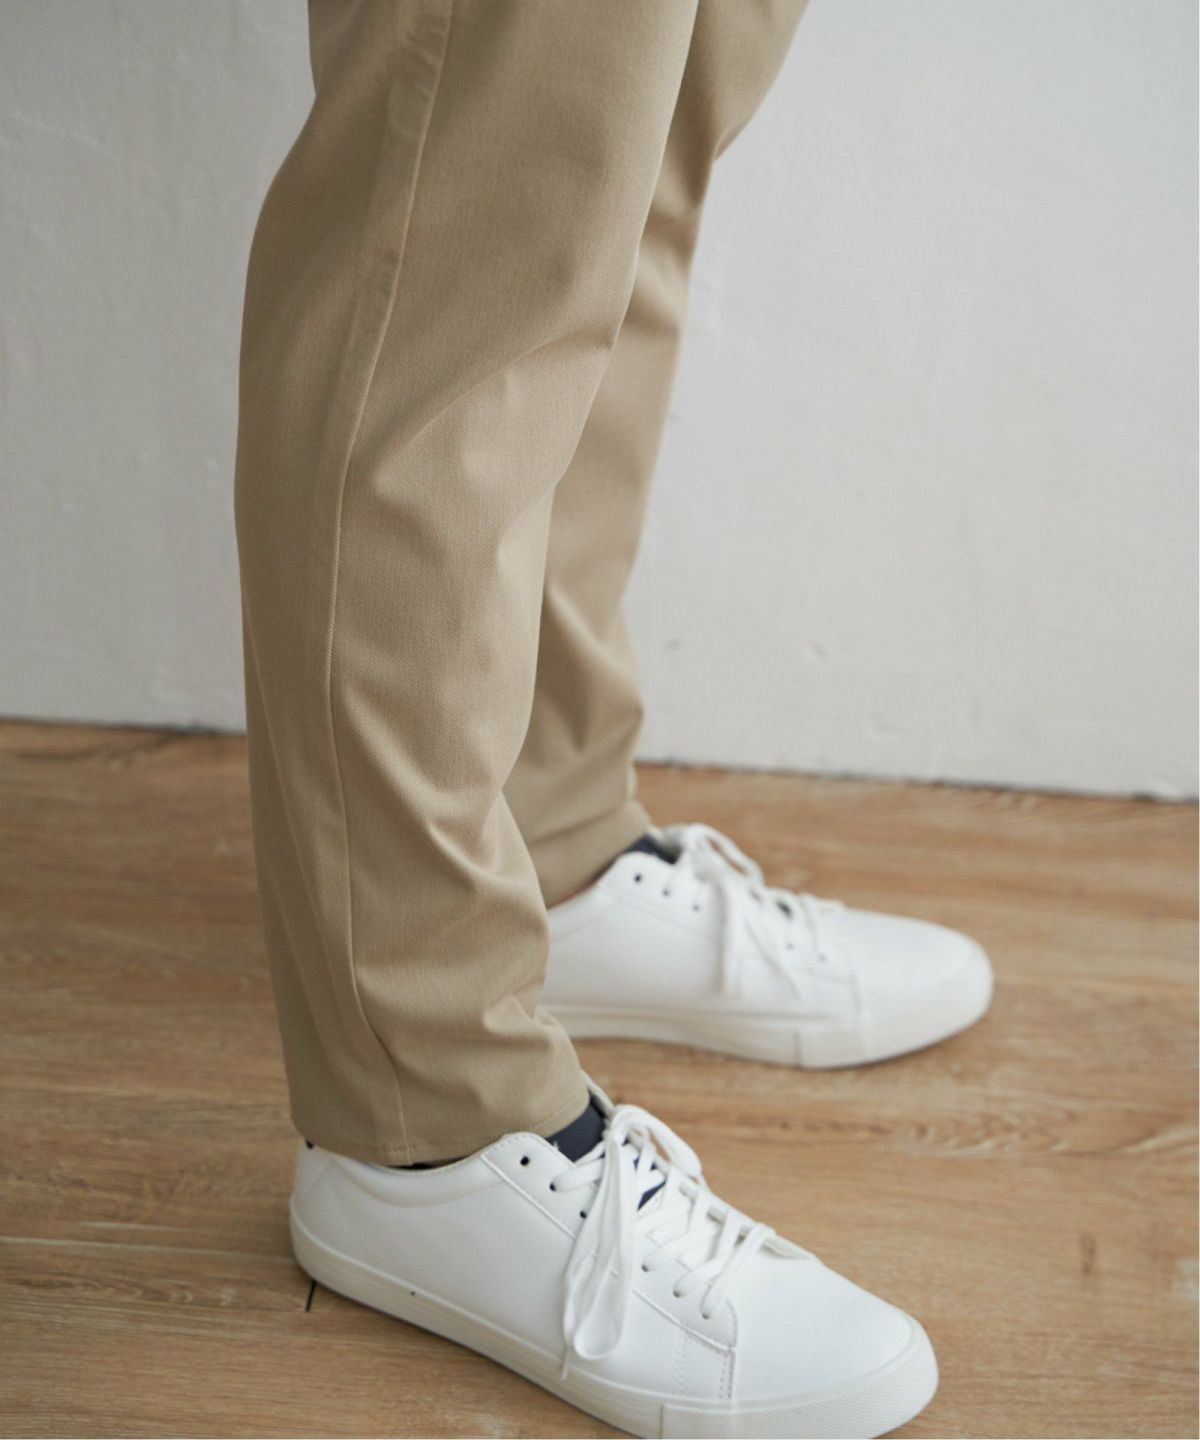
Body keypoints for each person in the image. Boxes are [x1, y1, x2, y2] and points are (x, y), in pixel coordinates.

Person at [233, 3, 993, 1435]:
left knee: (617, 169)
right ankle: (421, 1107)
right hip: (419, 1110)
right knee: (469, 198)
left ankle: (551, 839)